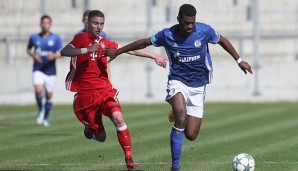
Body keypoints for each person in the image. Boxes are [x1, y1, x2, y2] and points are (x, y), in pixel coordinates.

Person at [104, 4, 253, 171]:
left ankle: (177, 112)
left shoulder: (204, 31)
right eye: (186, 22)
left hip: (198, 85)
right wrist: (118, 51)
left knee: (191, 135)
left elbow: (223, 40)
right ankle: (175, 166)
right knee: (181, 116)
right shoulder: (167, 34)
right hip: (178, 81)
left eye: (192, 23)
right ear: (178, 19)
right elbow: (144, 42)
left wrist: (240, 61)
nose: (189, 26)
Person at [60, 10, 166, 170]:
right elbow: (64, 51)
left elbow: (130, 49)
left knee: (118, 118)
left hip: (105, 91)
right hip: (86, 95)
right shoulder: (81, 39)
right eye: (95, 23)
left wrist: (155, 57)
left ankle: (129, 159)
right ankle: (90, 128)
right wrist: (86, 50)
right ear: (87, 23)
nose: (99, 27)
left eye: (101, 24)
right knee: (101, 137)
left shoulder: (105, 42)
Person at [27, 15, 62, 127]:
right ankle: (40, 110)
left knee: (49, 95)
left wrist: (54, 56)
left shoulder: (56, 38)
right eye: (43, 23)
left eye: (47, 23)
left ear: (50, 24)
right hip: (38, 69)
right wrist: (33, 55)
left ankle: (46, 117)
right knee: (38, 90)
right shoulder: (34, 37)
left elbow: (61, 52)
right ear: (40, 24)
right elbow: (28, 49)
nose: (45, 25)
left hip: (51, 71)